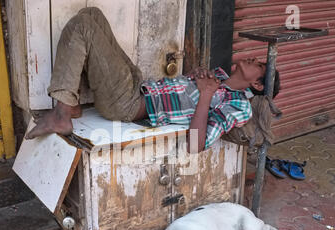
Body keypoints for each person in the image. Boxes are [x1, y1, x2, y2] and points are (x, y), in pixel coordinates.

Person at [25, 7, 280, 153]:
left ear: (257, 85)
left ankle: (62, 112)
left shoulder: (240, 106)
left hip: (129, 104)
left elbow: (195, 145)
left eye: (259, 65)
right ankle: (73, 102)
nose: (253, 59)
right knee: (92, 14)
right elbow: (185, 92)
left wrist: (204, 94)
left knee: (83, 27)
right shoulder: (220, 76)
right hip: (139, 85)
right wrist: (194, 77)